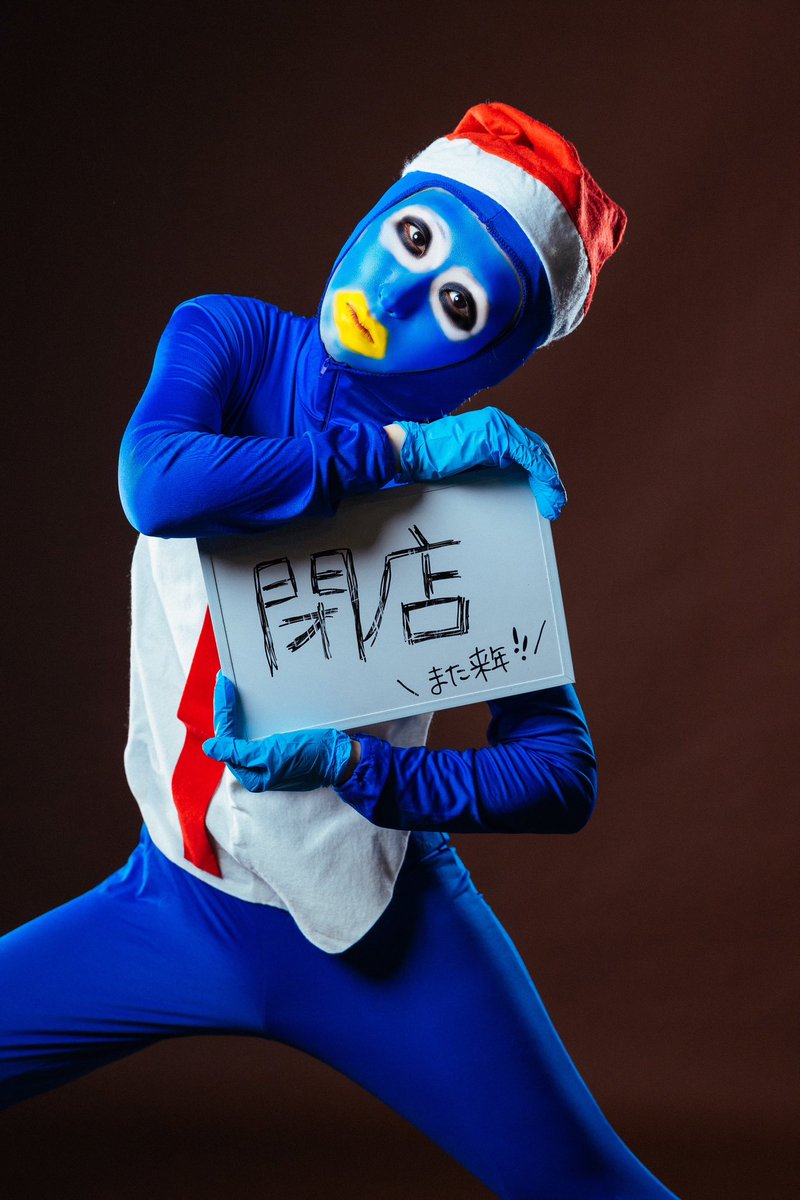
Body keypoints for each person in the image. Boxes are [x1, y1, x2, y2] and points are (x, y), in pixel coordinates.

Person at [0, 103, 678, 1198]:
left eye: (457, 306)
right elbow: (156, 483)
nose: (398, 296)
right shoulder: (230, 341)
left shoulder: (477, 502)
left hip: (382, 938)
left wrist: (364, 771)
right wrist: (396, 454)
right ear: (377, 213)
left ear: (490, 361)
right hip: (167, 903)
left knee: (589, 1188)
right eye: (412, 237)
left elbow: (560, 777)